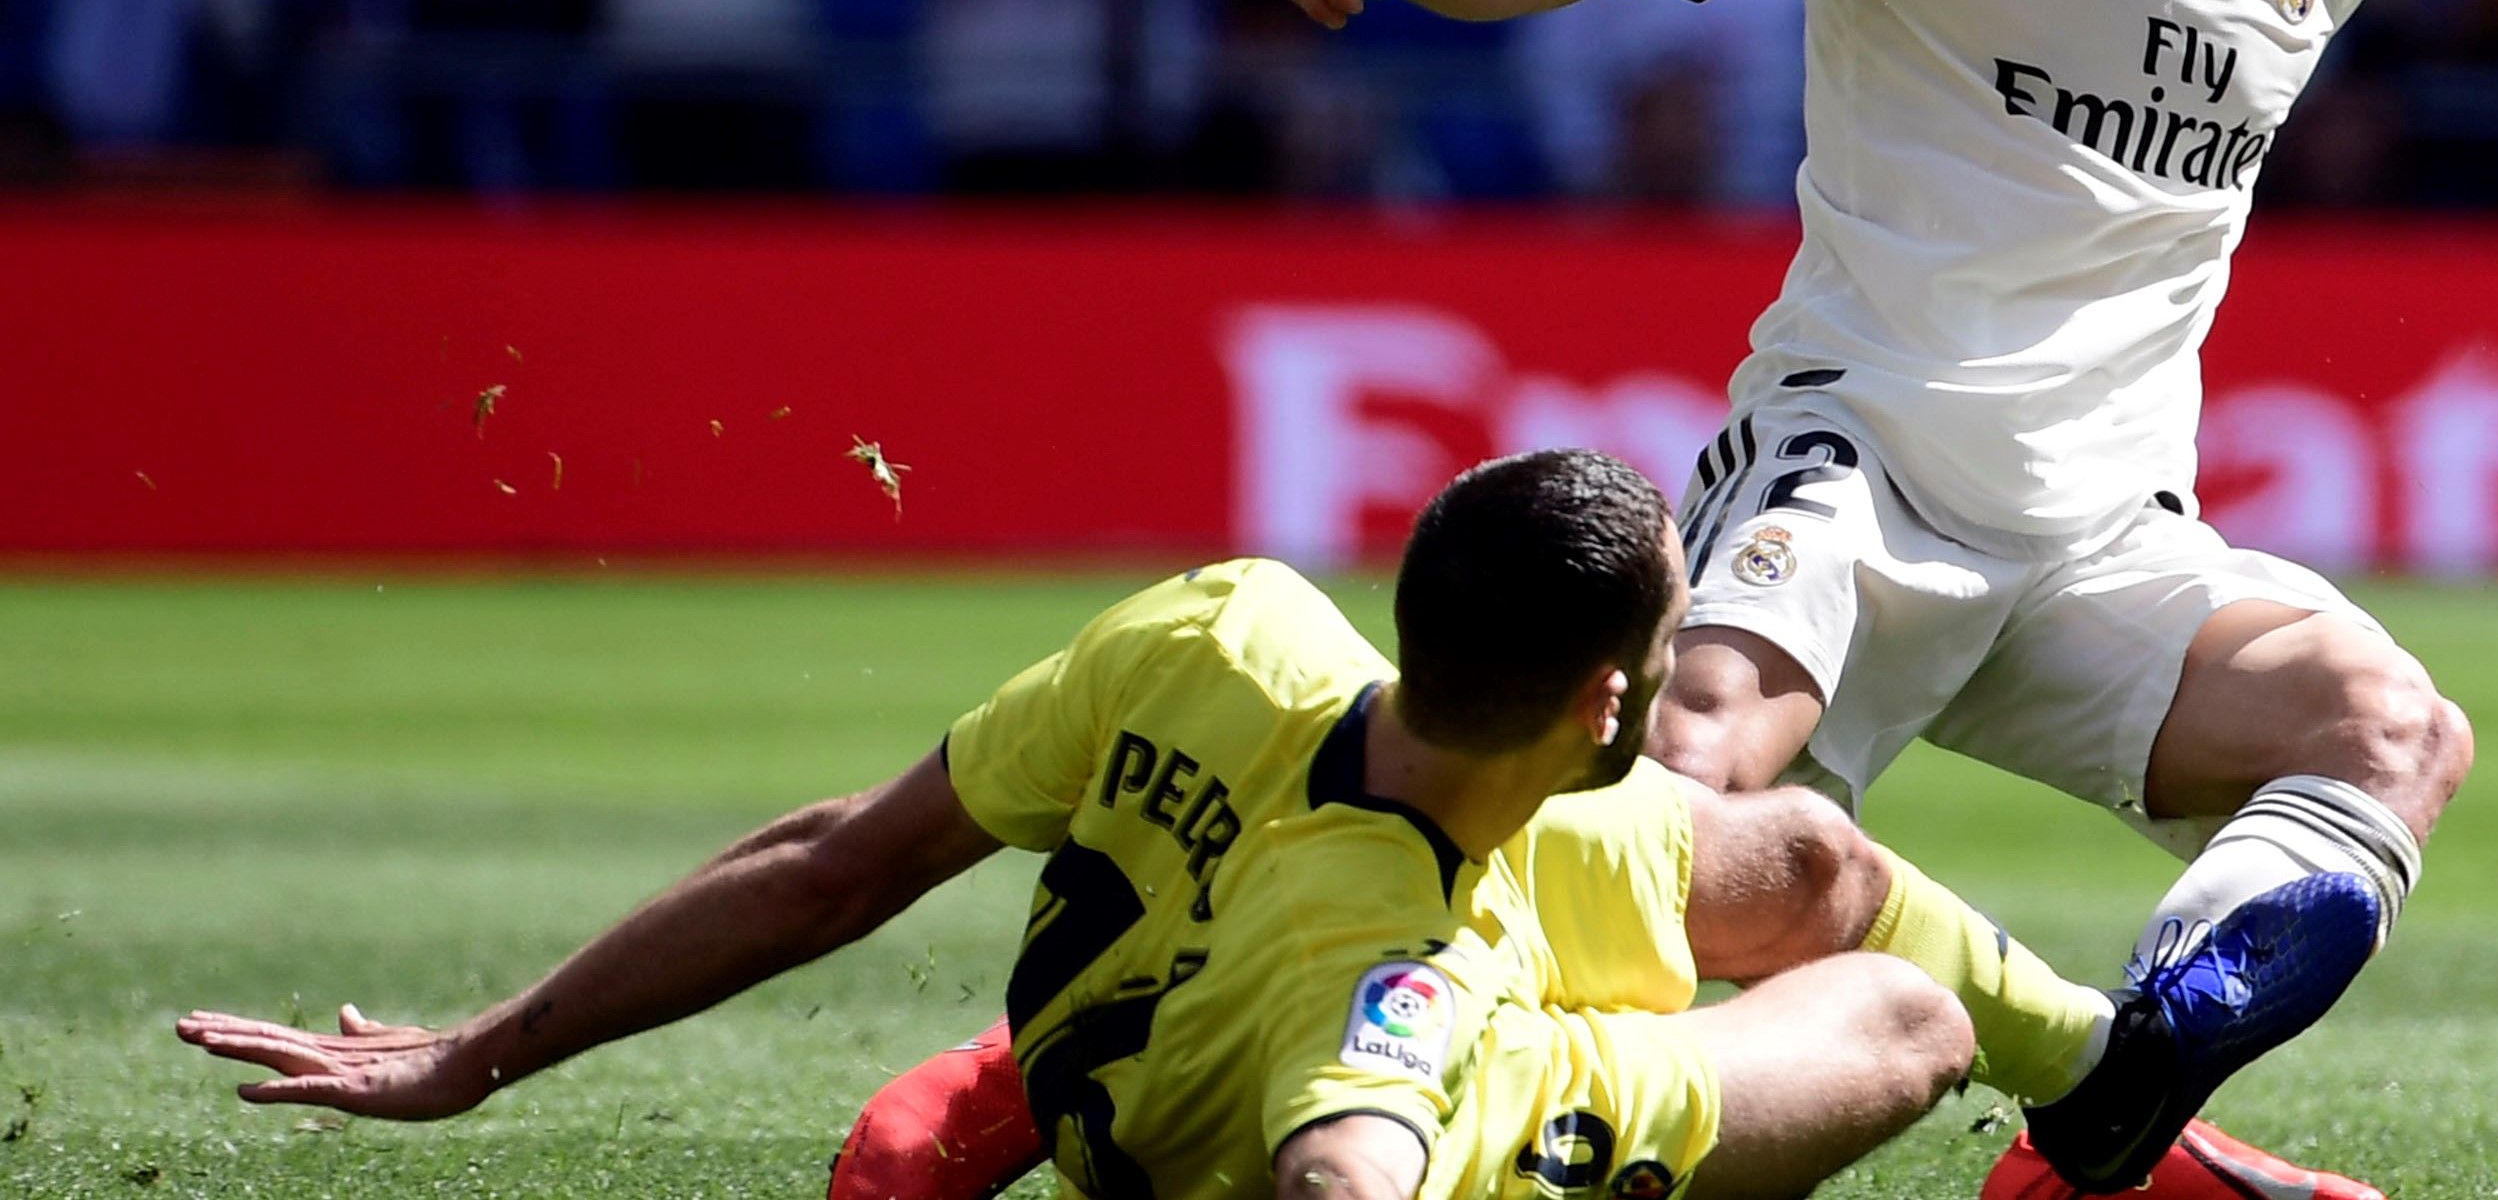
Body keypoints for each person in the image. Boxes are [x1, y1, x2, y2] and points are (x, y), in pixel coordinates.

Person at [1252, 0, 2472, 1195]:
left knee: (2392, 734)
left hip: (2109, 534)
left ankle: (2104, 1140)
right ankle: (1229, 1044)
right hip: (1864, 470)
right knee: (1666, 808)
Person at [179, 449, 2137, 1199]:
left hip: (1259, 942)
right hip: (1309, 1076)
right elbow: (1345, 1170)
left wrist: (486, 1048)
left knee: (1798, 861)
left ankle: (2123, 1106)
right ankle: (2065, 1115)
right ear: (1604, 704)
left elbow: (838, 860)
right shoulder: (1409, 977)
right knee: (1905, 1022)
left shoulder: (1224, 623)